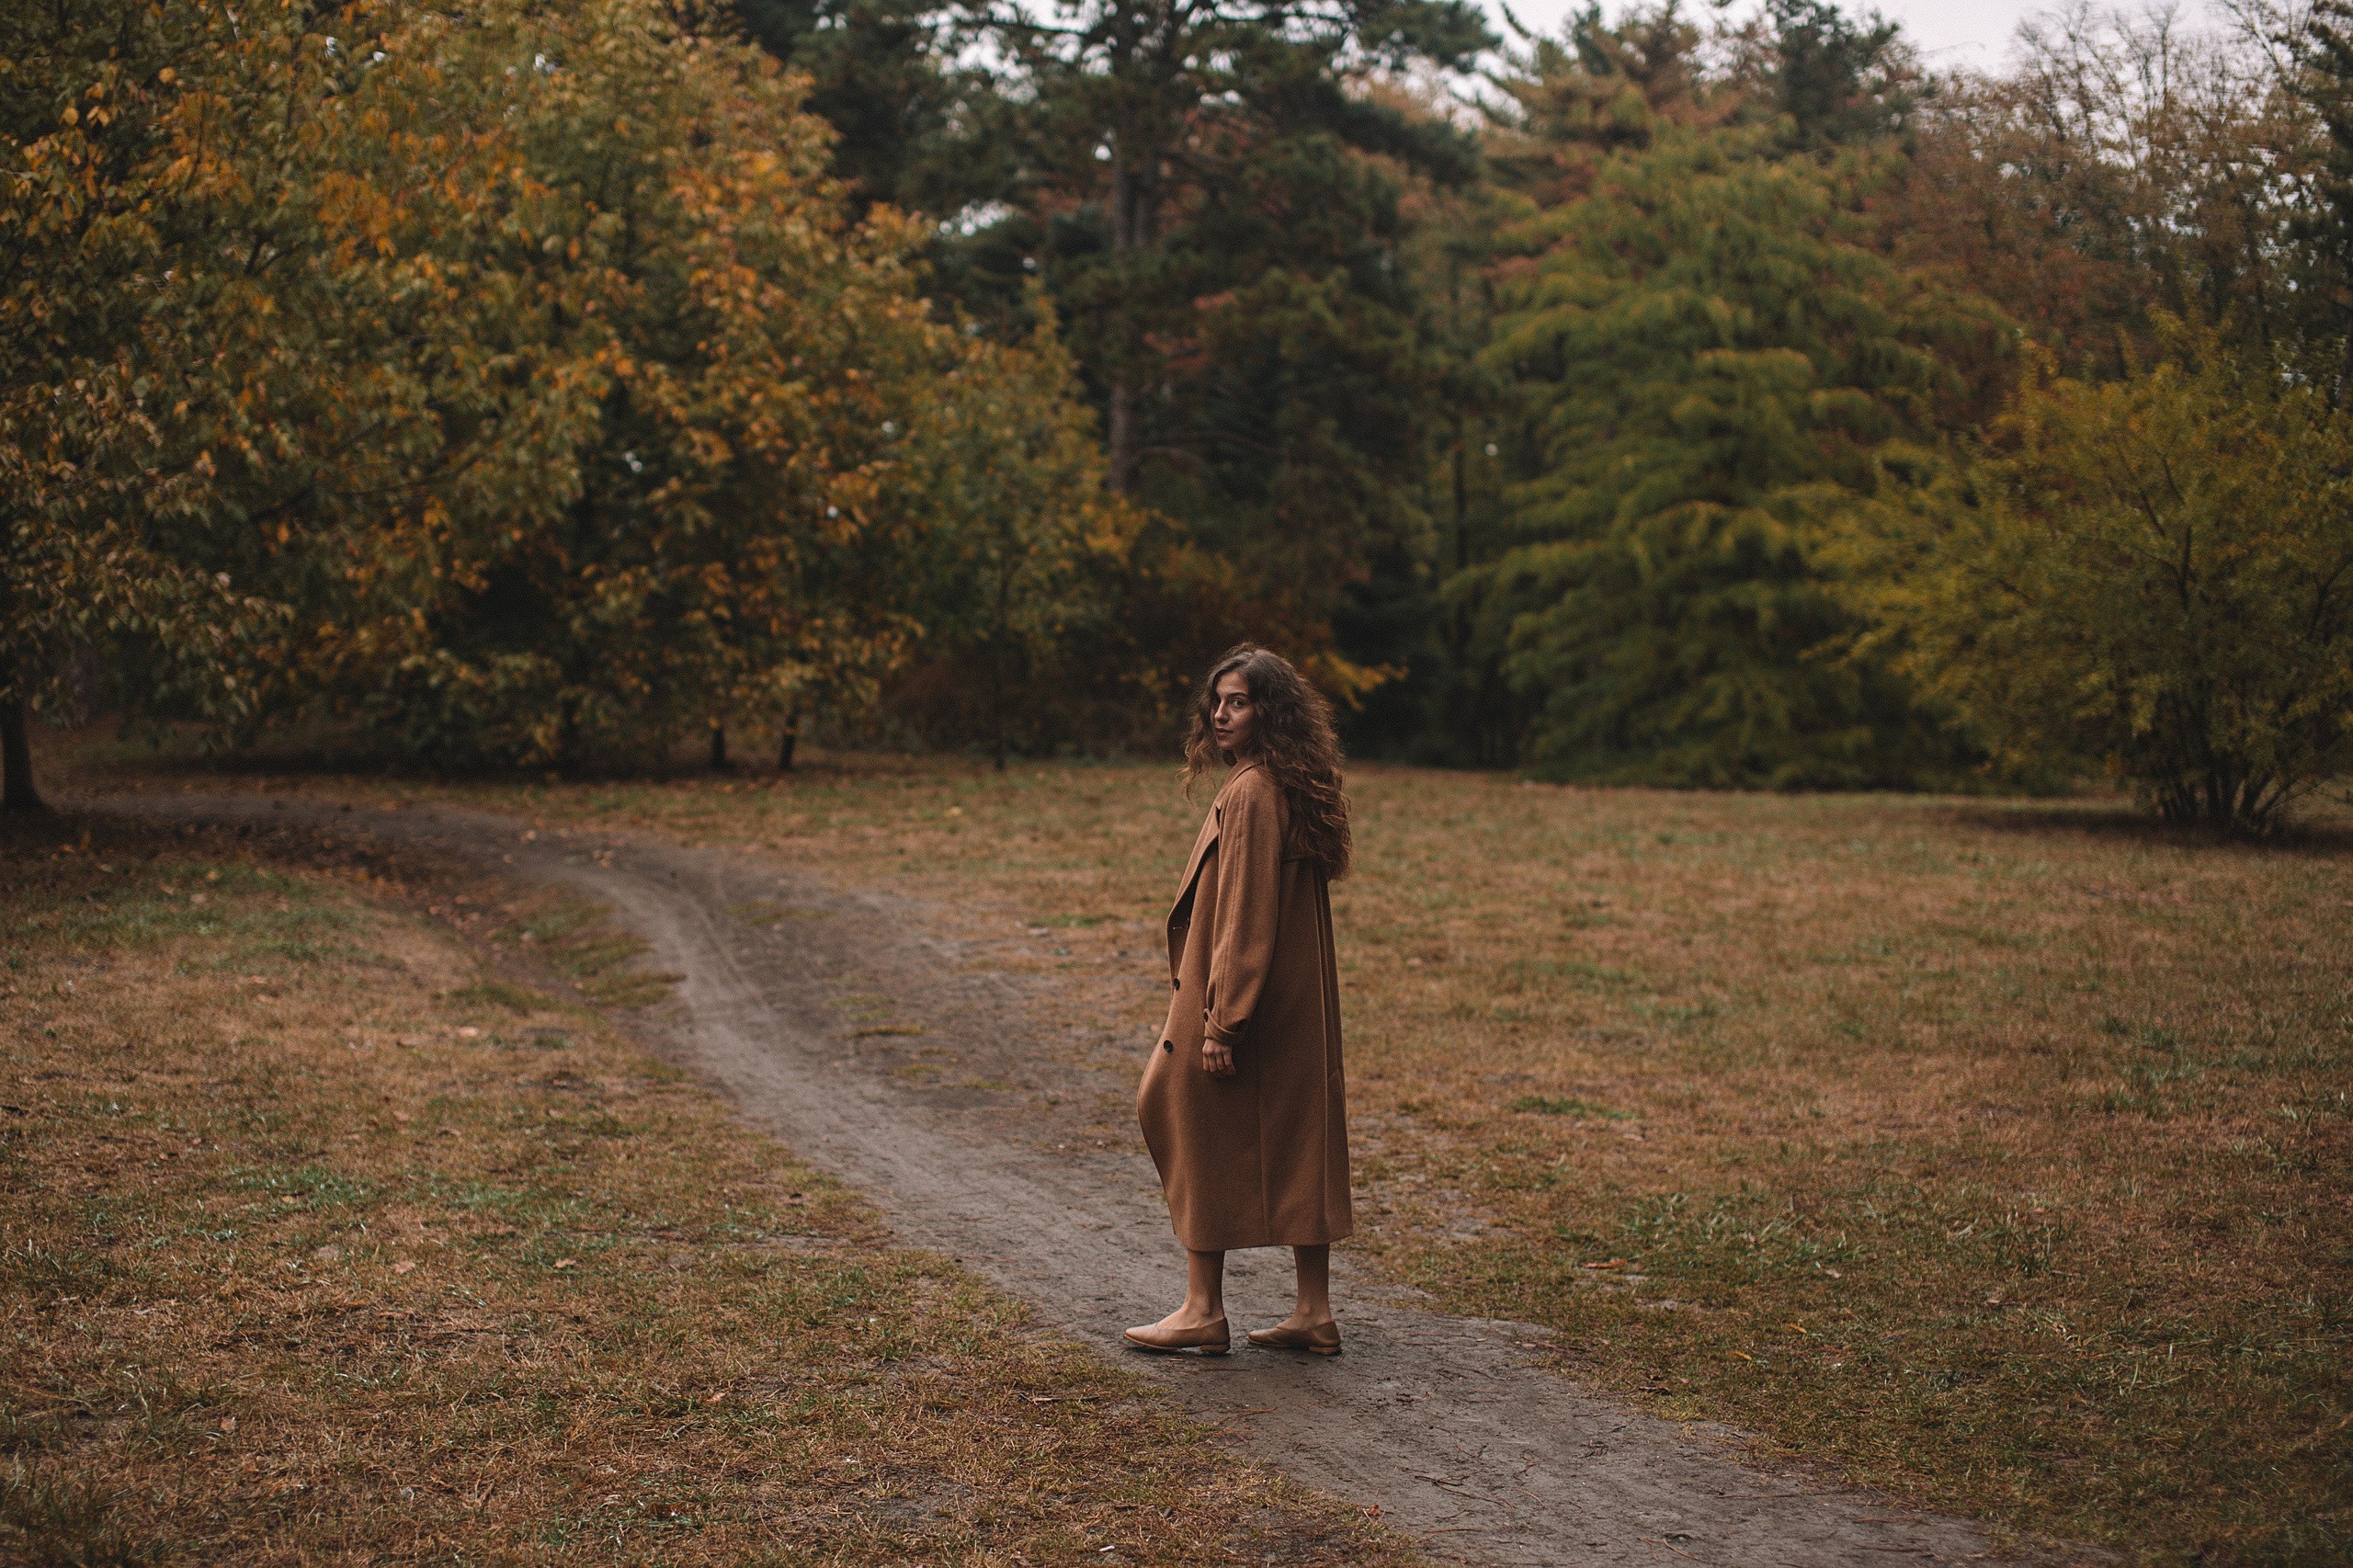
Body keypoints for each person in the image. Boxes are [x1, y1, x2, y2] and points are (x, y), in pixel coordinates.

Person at [1127, 643, 1354, 1358]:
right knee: (1302, 1138)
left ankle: (1203, 1309)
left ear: (1268, 712)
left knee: (1183, 1110)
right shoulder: (1289, 782)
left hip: (1248, 1002)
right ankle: (1313, 1311)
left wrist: (1223, 1022)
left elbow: (1246, 914)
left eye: (1239, 702)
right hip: (1293, 1001)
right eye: (1218, 702)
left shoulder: (1254, 791)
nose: (1221, 715)